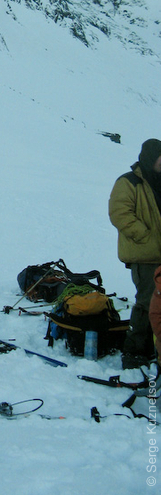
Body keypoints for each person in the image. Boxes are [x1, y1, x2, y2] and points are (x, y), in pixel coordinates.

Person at [109, 138, 161, 369]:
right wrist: (145, 236)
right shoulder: (129, 182)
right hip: (145, 256)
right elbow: (119, 213)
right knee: (146, 303)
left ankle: (154, 348)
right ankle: (134, 351)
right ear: (151, 158)